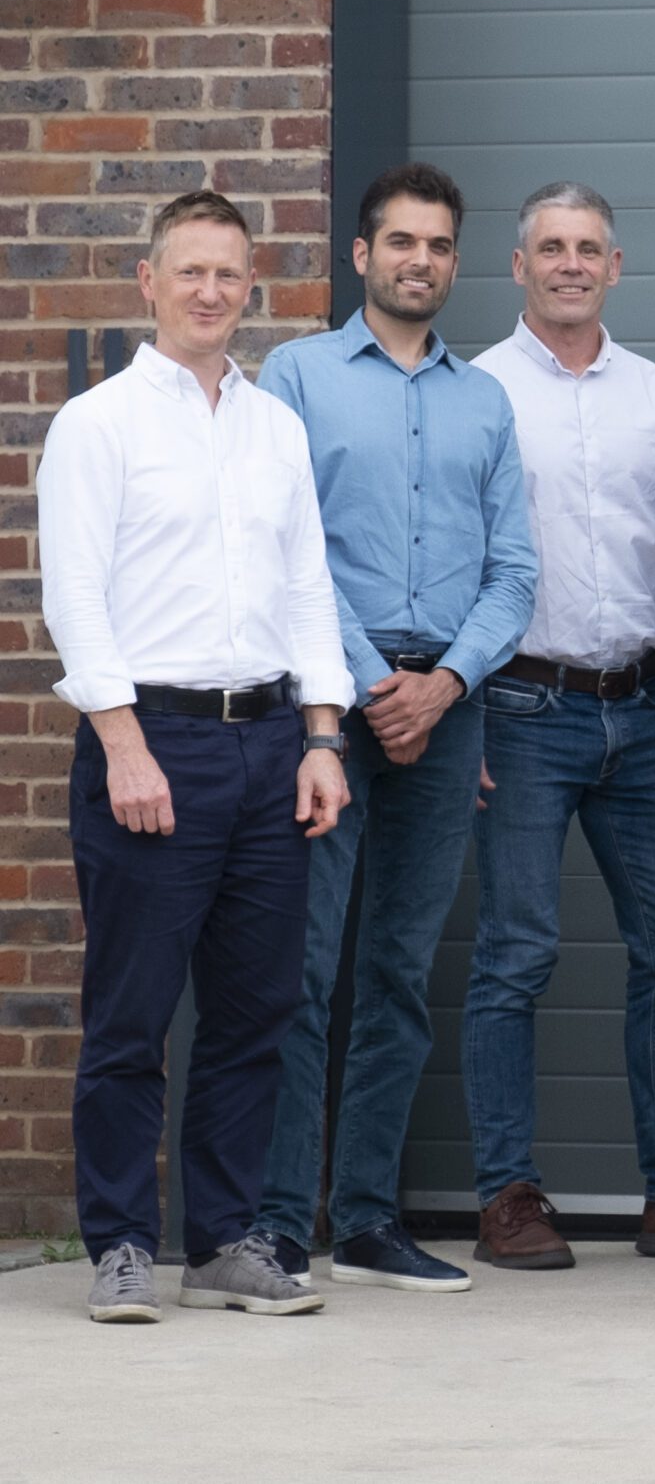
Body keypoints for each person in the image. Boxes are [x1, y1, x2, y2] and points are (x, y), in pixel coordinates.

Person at [42, 190, 353, 1322]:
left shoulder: (275, 426)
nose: (211, 292)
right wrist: (122, 744)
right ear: (150, 281)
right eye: (191, 273)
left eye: (229, 274)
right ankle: (122, 1243)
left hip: (270, 744)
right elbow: (73, 598)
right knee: (131, 1016)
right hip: (153, 744)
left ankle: (225, 1241)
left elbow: (309, 588)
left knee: (255, 1009)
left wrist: (323, 736)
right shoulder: (101, 424)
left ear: (249, 283)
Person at [251, 164, 537, 1295]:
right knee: (303, 969)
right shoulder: (298, 376)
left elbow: (515, 572)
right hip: (327, 707)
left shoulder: (485, 401)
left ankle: (367, 1218)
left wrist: (447, 684)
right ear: (360, 256)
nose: (421, 259)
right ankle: (279, 1223)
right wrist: (376, 686)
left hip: (448, 712)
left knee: (399, 974)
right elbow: (287, 549)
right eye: (400, 242)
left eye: (439, 244)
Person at [467, 182, 655, 1272]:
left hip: (639, 706)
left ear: (615, 266)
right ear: (518, 266)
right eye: (550, 248)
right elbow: (454, 560)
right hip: (516, 708)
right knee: (516, 954)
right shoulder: (477, 392)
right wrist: (462, 716)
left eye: (589, 249)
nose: (570, 264)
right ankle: (506, 1194)